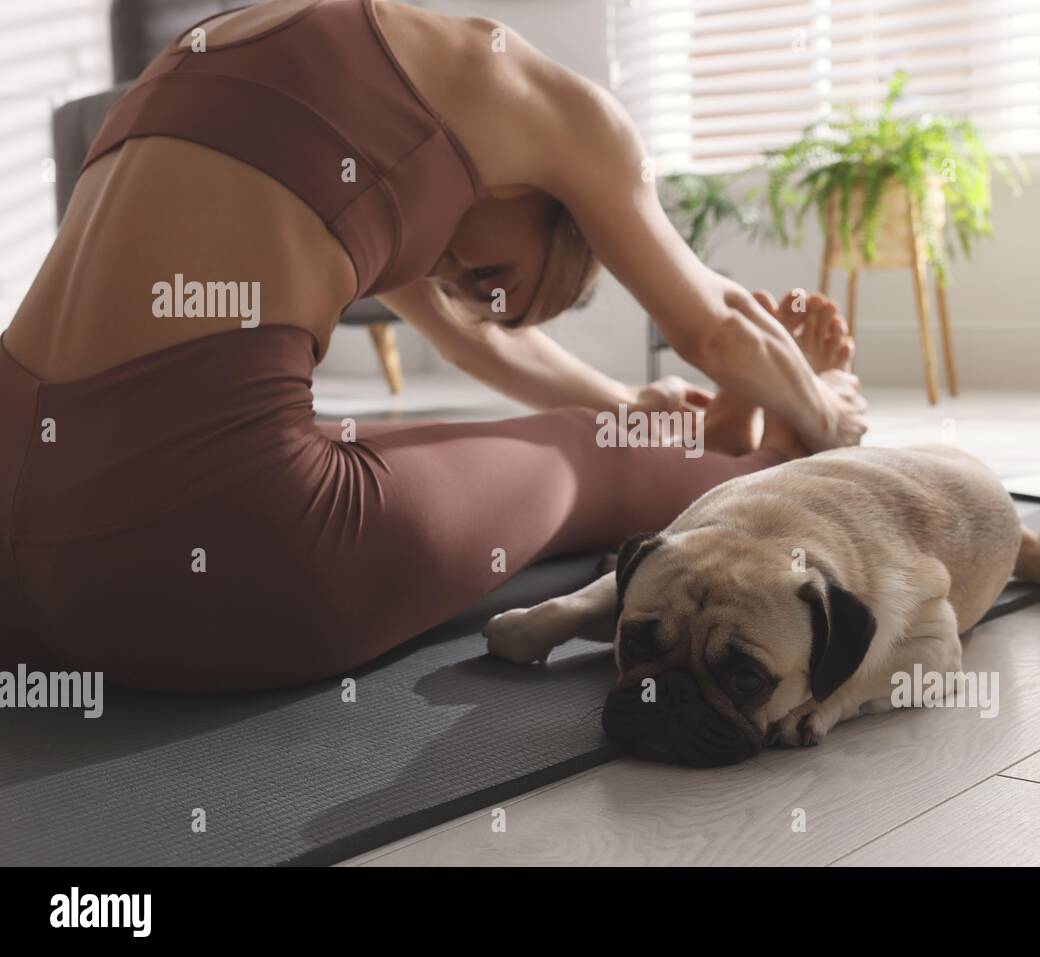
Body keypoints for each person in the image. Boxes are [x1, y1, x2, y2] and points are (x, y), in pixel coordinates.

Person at [0, 0, 867, 693]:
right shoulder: (540, 95)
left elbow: (477, 352)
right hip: (202, 550)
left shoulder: (255, 39)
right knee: (578, 457)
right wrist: (829, 416)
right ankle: (771, 451)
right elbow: (713, 325)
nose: (453, 275)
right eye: (487, 271)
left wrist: (628, 406)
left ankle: (724, 434)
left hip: (17, 559)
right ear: (556, 194)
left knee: (402, 439)